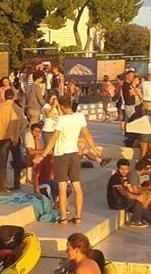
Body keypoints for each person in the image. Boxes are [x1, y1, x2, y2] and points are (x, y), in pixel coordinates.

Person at [34, 95, 102, 224]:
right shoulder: (80, 116)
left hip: (61, 156)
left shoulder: (61, 120)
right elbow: (87, 134)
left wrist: (42, 156)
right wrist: (93, 149)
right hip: (74, 155)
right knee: (77, 186)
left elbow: (53, 139)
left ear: (61, 106)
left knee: (62, 187)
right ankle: (77, 216)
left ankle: (63, 217)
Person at [106, 159, 151, 228]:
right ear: (118, 168)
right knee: (138, 201)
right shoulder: (115, 178)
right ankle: (135, 221)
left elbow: (132, 190)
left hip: (124, 201)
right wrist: (137, 197)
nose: (124, 171)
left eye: (126, 169)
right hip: (117, 203)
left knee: (142, 204)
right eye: (122, 169)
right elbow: (125, 194)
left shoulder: (125, 177)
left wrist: (144, 191)